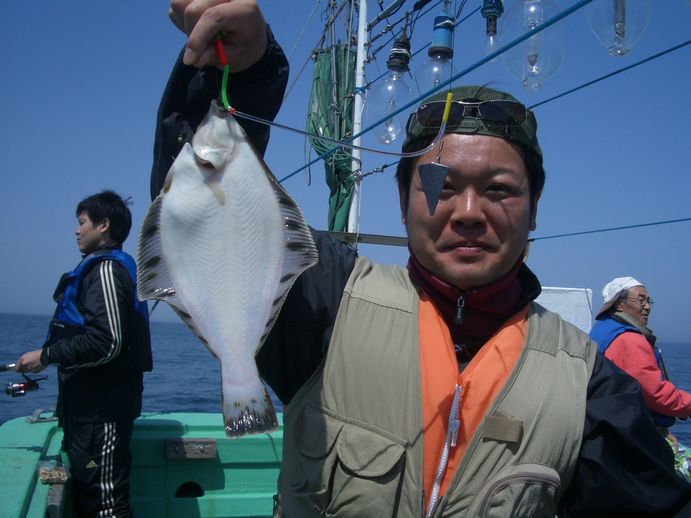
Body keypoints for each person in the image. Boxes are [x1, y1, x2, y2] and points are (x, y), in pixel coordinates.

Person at [155, 1, 691, 515]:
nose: (468, 212)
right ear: (404, 202)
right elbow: (199, 219)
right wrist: (246, 75)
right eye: (439, 184)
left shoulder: (593, 386)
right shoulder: (327, 302)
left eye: (501, 190)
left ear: (534, 211)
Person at [15, 190, 152, 517]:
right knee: (92, 495)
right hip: (88, 414)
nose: (77, 230)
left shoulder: (105, 271)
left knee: (106, 504)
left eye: (82, 222)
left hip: (101, 415)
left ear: (103, 225)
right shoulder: (97, 269)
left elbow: (107, 342)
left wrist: (46, 356)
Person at [590, 276, 691, 480]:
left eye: (648, 301)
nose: (647, 307)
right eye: (640, 300)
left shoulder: (602, 332)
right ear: (619, 303)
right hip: (629, 439)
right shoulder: (629, 340)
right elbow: (655, 394)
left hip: (608, 433)